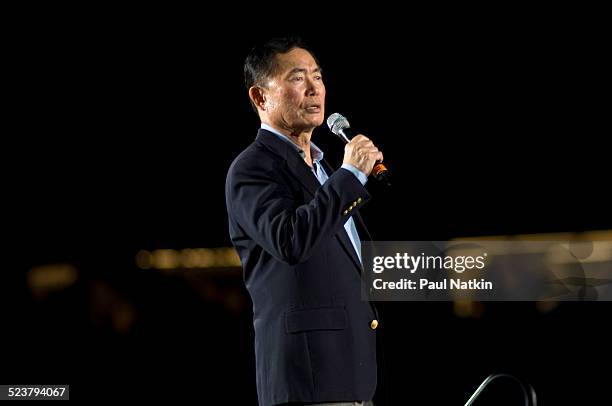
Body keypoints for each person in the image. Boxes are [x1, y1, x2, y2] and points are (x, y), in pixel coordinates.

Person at [225, 37, 383, 406]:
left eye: (318, 76)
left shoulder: (325, 168)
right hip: (307, 380)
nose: (314, 88)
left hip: (353, 377)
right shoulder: (252, 168)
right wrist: (349, 176)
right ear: (260, 98)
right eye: (297, 78)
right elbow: (290, 240)